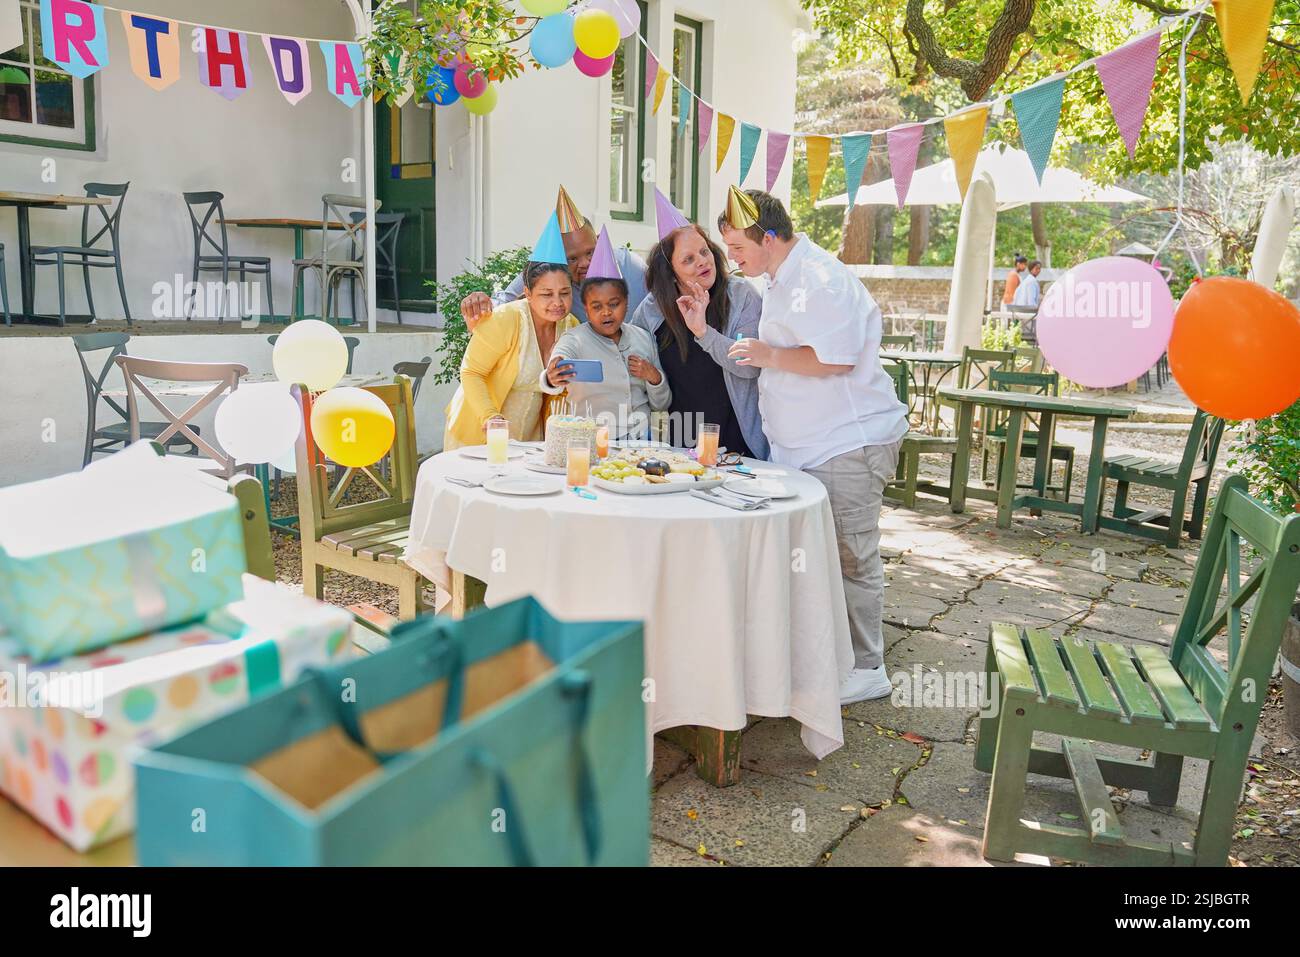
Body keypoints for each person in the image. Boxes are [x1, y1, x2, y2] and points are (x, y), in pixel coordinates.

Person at [719, 186, 908, 705]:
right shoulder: (782, 276)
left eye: (738, 247)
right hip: (806, 446)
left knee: (851, 555)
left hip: (845, 442)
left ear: (771, 237)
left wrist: (767, 356)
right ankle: (828, 657)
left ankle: (868, 666)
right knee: (817, 556)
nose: (732, 258)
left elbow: (837, 358)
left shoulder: (819, 278)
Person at [630, 188, 768, 459]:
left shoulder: (741, 296)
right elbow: (630, 357)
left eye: (704, 251)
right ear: (671, 274)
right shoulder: (652, 310)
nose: (702, 262)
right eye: (688, 259)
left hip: (738, 443)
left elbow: (750, 369)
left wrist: (703, 333)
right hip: (680, 444)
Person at [443, 214, 579, 450]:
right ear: (528, 293)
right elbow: (472, 372)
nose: (557, 302)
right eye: (547, 294)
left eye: (564, 293)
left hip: (529, 438)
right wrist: (490, 416)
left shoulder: (571, 326)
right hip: (479, 432)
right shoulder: (505, 319)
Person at [460, 186, 649, 330]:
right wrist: (478, 304)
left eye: (590, 252)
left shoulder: (629, 265)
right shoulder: (548, 273)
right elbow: (503, 304)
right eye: (572, 259)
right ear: (556, 260)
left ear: (599, 241)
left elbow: (662, 302)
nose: (584, 263)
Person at [542, 227, 670, 439]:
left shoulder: (643, 339)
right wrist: (552, 375)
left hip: (643, 440)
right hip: (594, 439)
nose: (607, 312)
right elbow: (558, 364)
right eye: (597, 306)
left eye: (614, 304)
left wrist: (654, 377)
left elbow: (662, 403)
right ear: (585, 308)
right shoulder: (574, 339)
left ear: (627, 304)